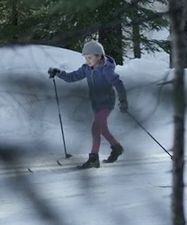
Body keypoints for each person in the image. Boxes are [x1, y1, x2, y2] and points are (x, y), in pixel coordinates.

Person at [48, 41, 129, 169]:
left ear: (99, 56)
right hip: (95, 103)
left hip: (107, 102)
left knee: (95, 128)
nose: (88, 60)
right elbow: (72, 77)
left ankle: (93, 158)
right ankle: (116, 147)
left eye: (90, 57)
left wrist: (123, 101)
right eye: (86, 58)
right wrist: (59, 73)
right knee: (103, 129)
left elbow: (118, 84)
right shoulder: (86, 69)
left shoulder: (106, 70)